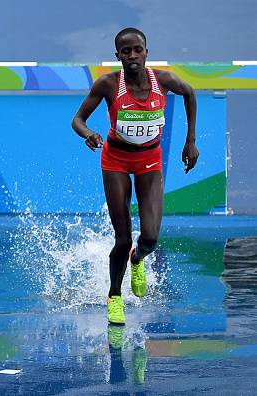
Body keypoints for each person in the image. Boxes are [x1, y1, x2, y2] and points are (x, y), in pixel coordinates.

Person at [71, 27, 199, 325]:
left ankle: (138, 259)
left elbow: (190, 93)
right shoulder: (107, 84)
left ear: (146, 52)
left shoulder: (162, 81)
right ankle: (115, 296)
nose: (131, 55)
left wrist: (190, 140)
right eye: (125, 51)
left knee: (151, 237)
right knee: (123, 236)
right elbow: (77, 119)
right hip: (116, 159)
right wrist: (88, 133)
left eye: (137, 50)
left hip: (149, 161)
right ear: (118, 56)